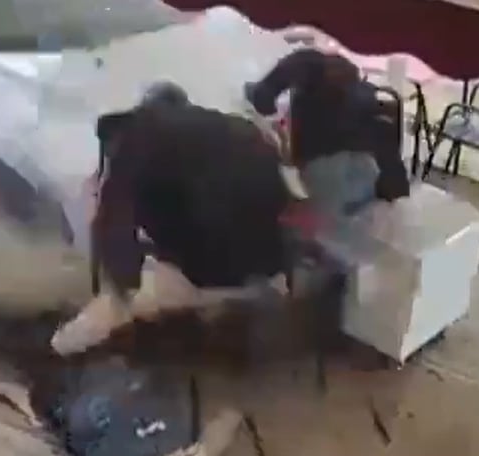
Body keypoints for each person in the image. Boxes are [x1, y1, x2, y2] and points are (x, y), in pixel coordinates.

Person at [51, 82, 298, 357]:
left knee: (70, 341)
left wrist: (120, 291)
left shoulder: (139, 134)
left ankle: (61, 351)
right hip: (269, 277)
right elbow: (284, 204)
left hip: (201, 279)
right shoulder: (243, 130)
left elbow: (113, 223)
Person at [245, 47, 409, 220]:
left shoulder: (311, 83)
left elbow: (265, 97)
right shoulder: (362, 101)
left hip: (329, 173)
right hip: (356, 173)